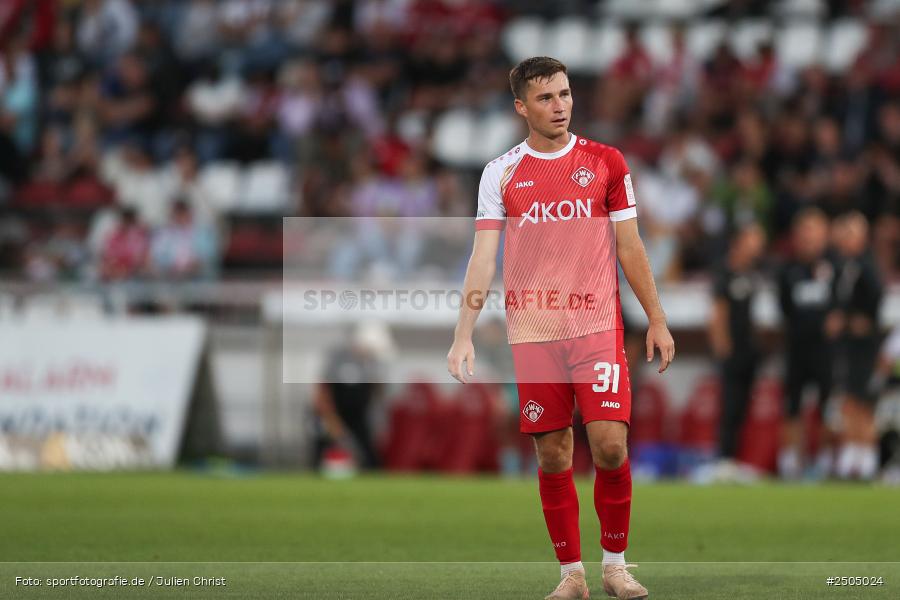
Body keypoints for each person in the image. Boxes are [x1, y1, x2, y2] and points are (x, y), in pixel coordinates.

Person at [447, 57, 674, 600]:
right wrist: (463, 332)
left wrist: (657, 319)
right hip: (535, 333)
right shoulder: (500, 173)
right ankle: (572, 574)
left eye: (566, 94)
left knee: (610, 447)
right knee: (552, 454)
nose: (560, 106)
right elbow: (482, 257)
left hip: (597, 327)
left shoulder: (606, 162)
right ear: (521, 107)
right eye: (546, 98)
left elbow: (630, 246)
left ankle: (615, 566)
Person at [776, 207, 837, 479]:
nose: (809, 238)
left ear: (824, 235)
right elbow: (784, 308)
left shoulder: (836, 266)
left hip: (827, 350)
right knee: (792, 404)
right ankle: (793, 463)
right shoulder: (788, 269)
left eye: (814, 231)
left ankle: (823, 461)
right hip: (797, 347)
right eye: (804, 232)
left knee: (827, 404)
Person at [708, 222, 766, 472]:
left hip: (748, 349)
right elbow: (718, 314)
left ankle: (734, 459)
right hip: (732, 350)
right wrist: (723, 347)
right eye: (753, 241)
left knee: (743, 406)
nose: (757, 248)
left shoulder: (752, 274)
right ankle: (723, 459)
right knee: (730, 406)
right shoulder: (724, 273)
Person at [830, 212, 883, 480]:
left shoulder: (867, 265)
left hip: (863, 344)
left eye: (850, 233)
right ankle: (852, 455)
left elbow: (874, 300)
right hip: (849, 343)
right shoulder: (844, 265)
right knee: (850, 400)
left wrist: (852, 320)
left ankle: (866, 458)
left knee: (862, 401)